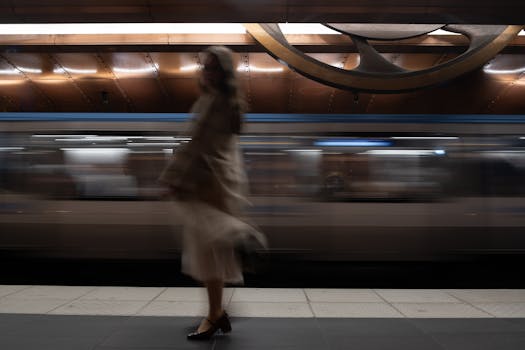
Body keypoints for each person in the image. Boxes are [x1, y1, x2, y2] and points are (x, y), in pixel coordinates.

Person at [159, 46, 266, 340]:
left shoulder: (211, 103)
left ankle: (239, 233)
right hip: (226, 184)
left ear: (224, 73)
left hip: (204, 184)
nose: (206, 72)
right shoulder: (232, 104)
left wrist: (172, 178)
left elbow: (196, 146)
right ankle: (216, 314)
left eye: (213, 67)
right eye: (205, 67)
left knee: (205, 247)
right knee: (212, 257)